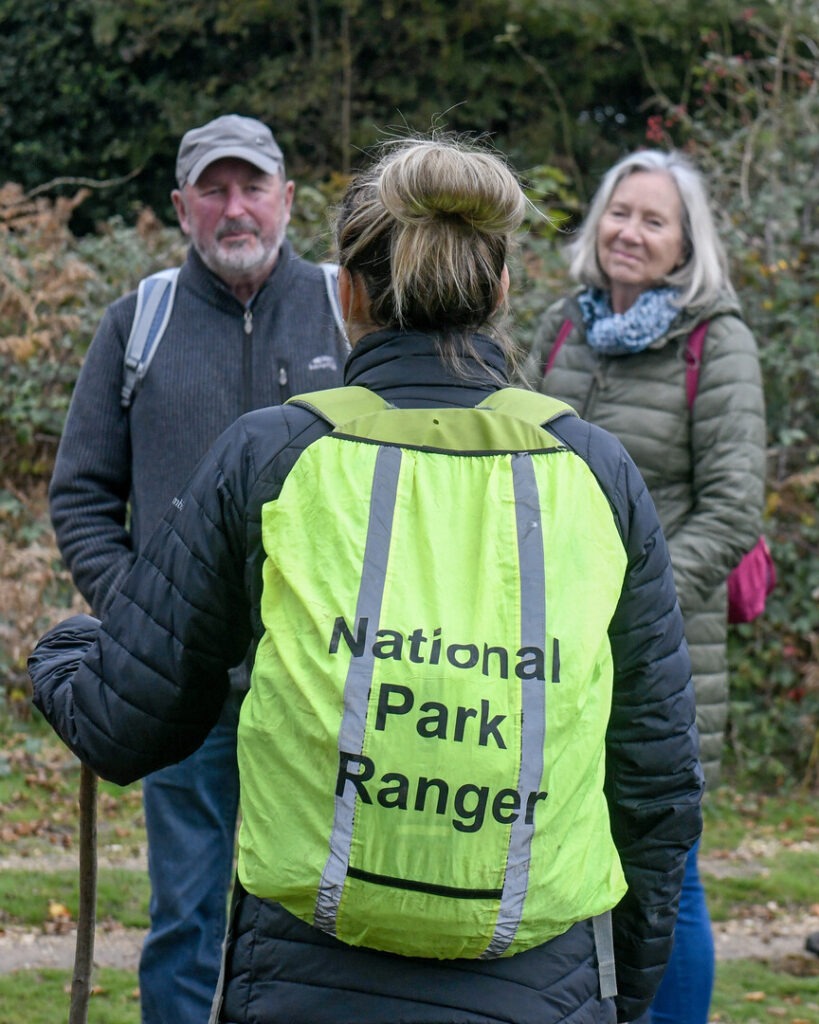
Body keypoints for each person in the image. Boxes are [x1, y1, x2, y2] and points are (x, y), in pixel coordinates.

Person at [31, 135, 703, 1024]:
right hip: (540, 985)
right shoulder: (594, 470)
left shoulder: (274, 455)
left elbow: (123, 725)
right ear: (501, 290)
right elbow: (656, 782)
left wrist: (66, 649)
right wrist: (624, 990)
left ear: (345, 296)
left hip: (303, 981)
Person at [47, 113, 348, 1024]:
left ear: (288, 199)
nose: (234, 209)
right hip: (185, 694)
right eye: (212, 190)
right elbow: (82, 496)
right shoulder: (139, 322)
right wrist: (142, 617)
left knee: (316, 920)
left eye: (252, 187)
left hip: (325, 687)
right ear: (181, 206)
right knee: (185, 921)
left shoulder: (350, 308)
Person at [523, 148, 767, 1024]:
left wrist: (637, 603)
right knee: (566, 852)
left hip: (662, 653)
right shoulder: (562, 326)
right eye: (619, 212)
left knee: (667, 870)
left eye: (652, 219)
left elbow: (735, 506)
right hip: (554, 645)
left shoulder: (715, 341)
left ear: (684, 244)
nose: (629, 231)